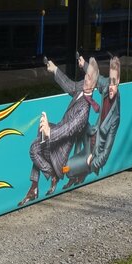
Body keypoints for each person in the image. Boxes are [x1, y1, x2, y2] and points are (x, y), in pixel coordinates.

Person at [20, 56, 100, 205]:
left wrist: (50, 132)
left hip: (61, 147)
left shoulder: (84, 110)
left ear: (94, 84)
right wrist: (55, 69)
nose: (85, 79)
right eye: (86, 75)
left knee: (34, 149)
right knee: (40, 132)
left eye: (89, 78)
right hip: (58, 131)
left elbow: (68, 129)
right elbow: (70, 86)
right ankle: (34, 186)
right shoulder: (82, 88)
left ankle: (53, 173)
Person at [63, 55, 121, 189]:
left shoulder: (115, 118)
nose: (111, 86)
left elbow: (106, 153)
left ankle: (79, 172)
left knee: (67, 168)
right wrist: (84, 64)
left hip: (94, 152)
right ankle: (77, 170)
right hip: (91, 135)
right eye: (110, 81)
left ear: (118, 81)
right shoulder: (107, 86)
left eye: (114, 82)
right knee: (79, 123)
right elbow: (97, 77)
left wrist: (92, 163)